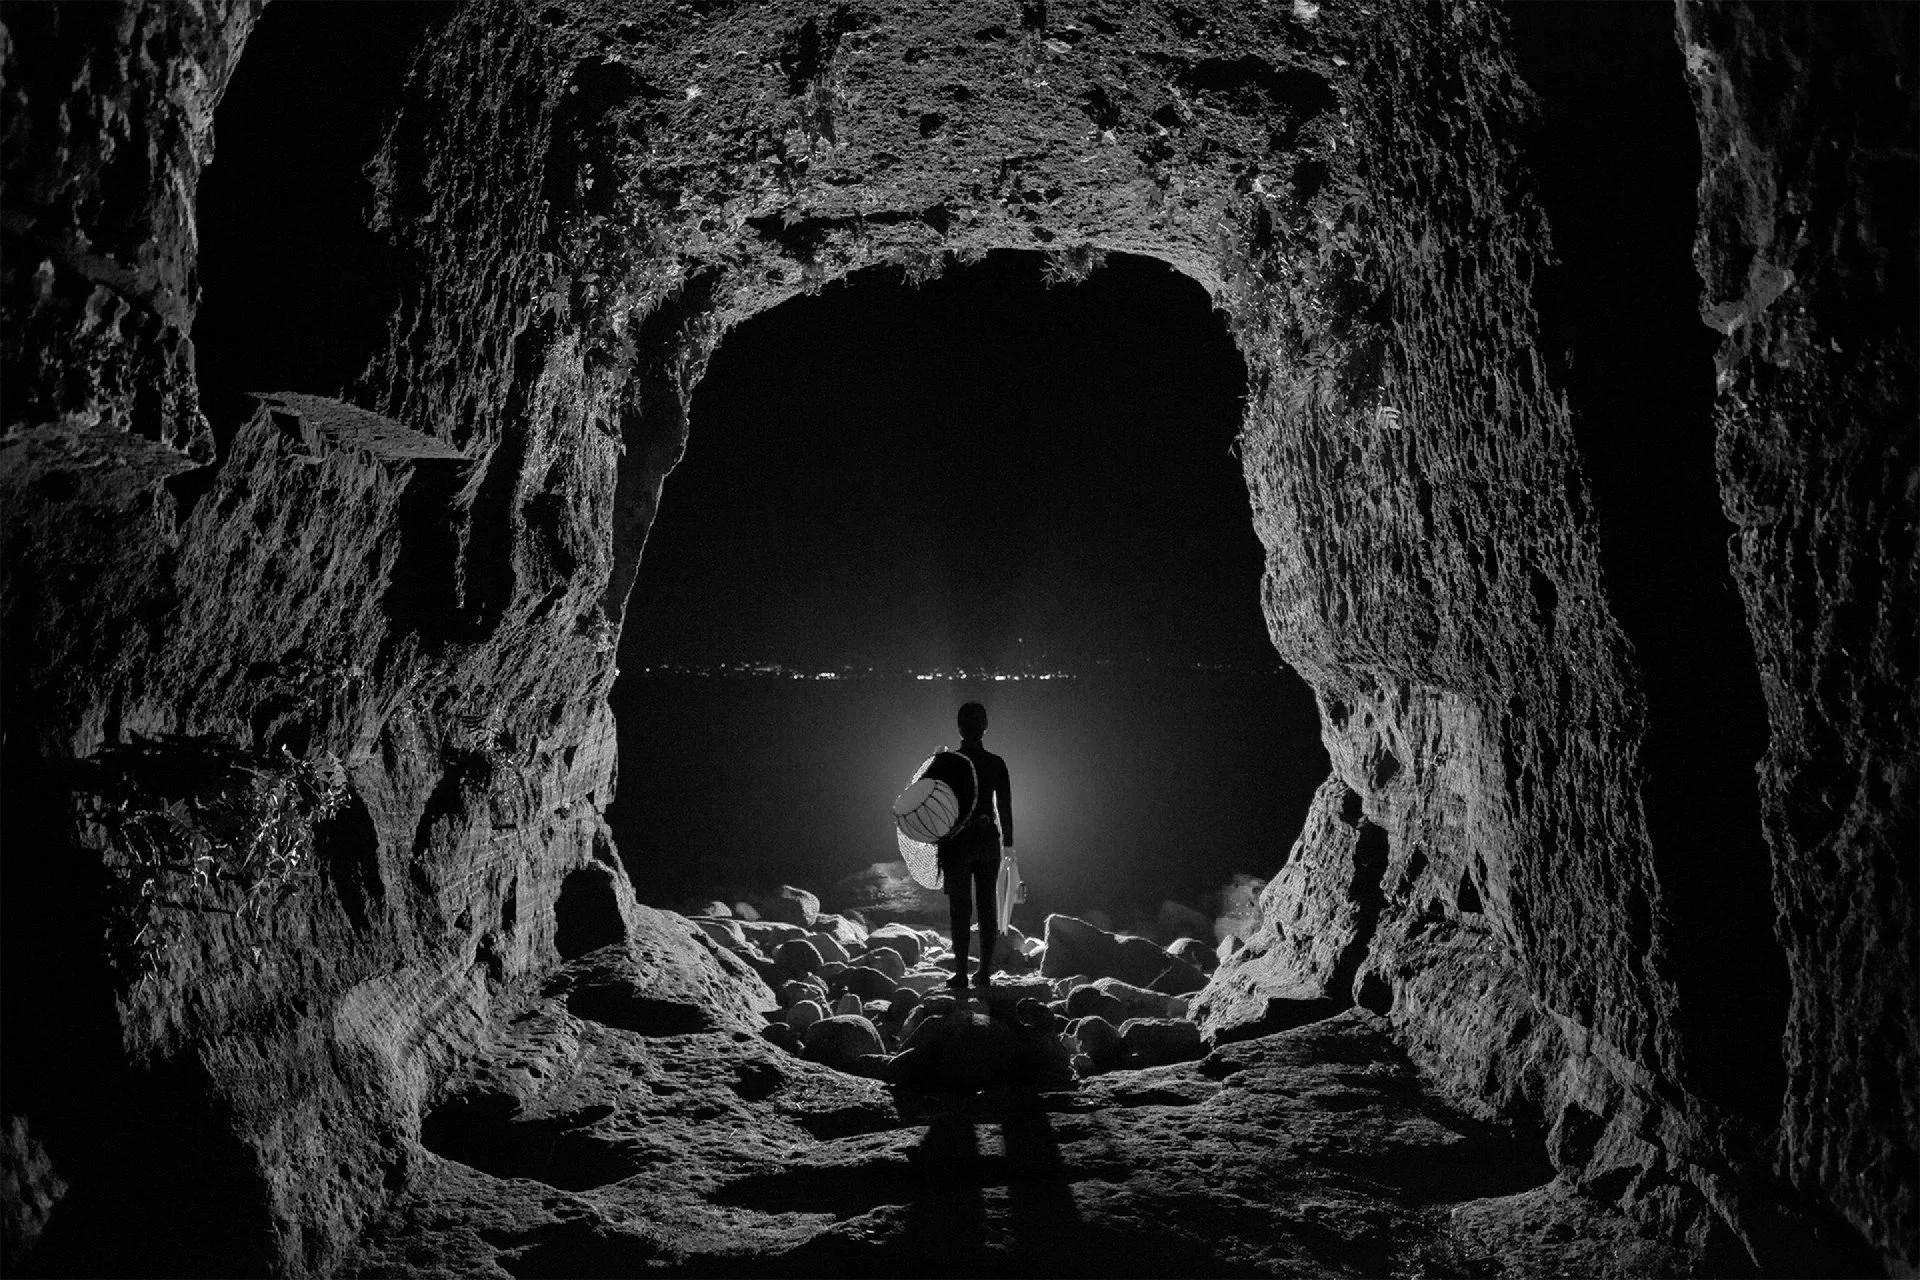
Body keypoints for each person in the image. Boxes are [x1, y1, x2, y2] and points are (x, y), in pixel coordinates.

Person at [937, 701, 1013, 989]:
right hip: (987, 841)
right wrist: (1009, 845)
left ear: (959, 728)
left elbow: (938, 810)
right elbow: (1005, 808)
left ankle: (960, 974)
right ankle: (984, 973)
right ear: (985, 728)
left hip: (958, 843)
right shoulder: (996, 763)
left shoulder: (947, 762)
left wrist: (939, 850)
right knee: (987, 907)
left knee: (960, 908)